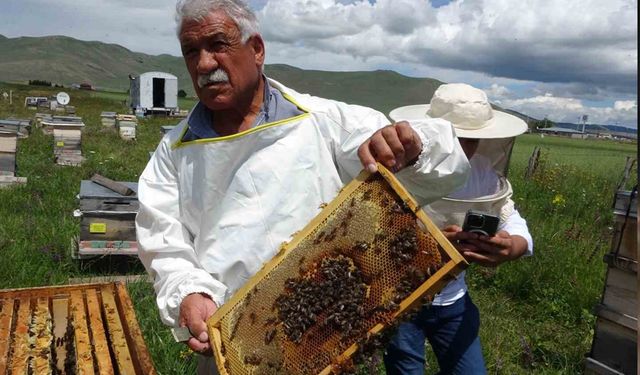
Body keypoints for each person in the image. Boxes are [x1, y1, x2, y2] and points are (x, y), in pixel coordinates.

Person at [135, 1, 470, 373]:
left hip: (328, 341)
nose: (204, 64)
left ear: (257, 49)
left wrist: (412, 145)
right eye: (191, 51)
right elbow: (164, 242)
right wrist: (189, 292)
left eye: (218, 44)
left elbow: (444, 167)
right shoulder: (172, 152)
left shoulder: (327, 123)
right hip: (233, 349)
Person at [385, 83, 534, 374]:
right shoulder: (401, 166)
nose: (465, 147)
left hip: (454, 300)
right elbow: (372, 232)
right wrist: (429, 245)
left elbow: (510, 217)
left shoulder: (483, 173)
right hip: (400, 299)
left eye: (474, 139)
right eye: (458, 137)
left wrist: (512, 245)